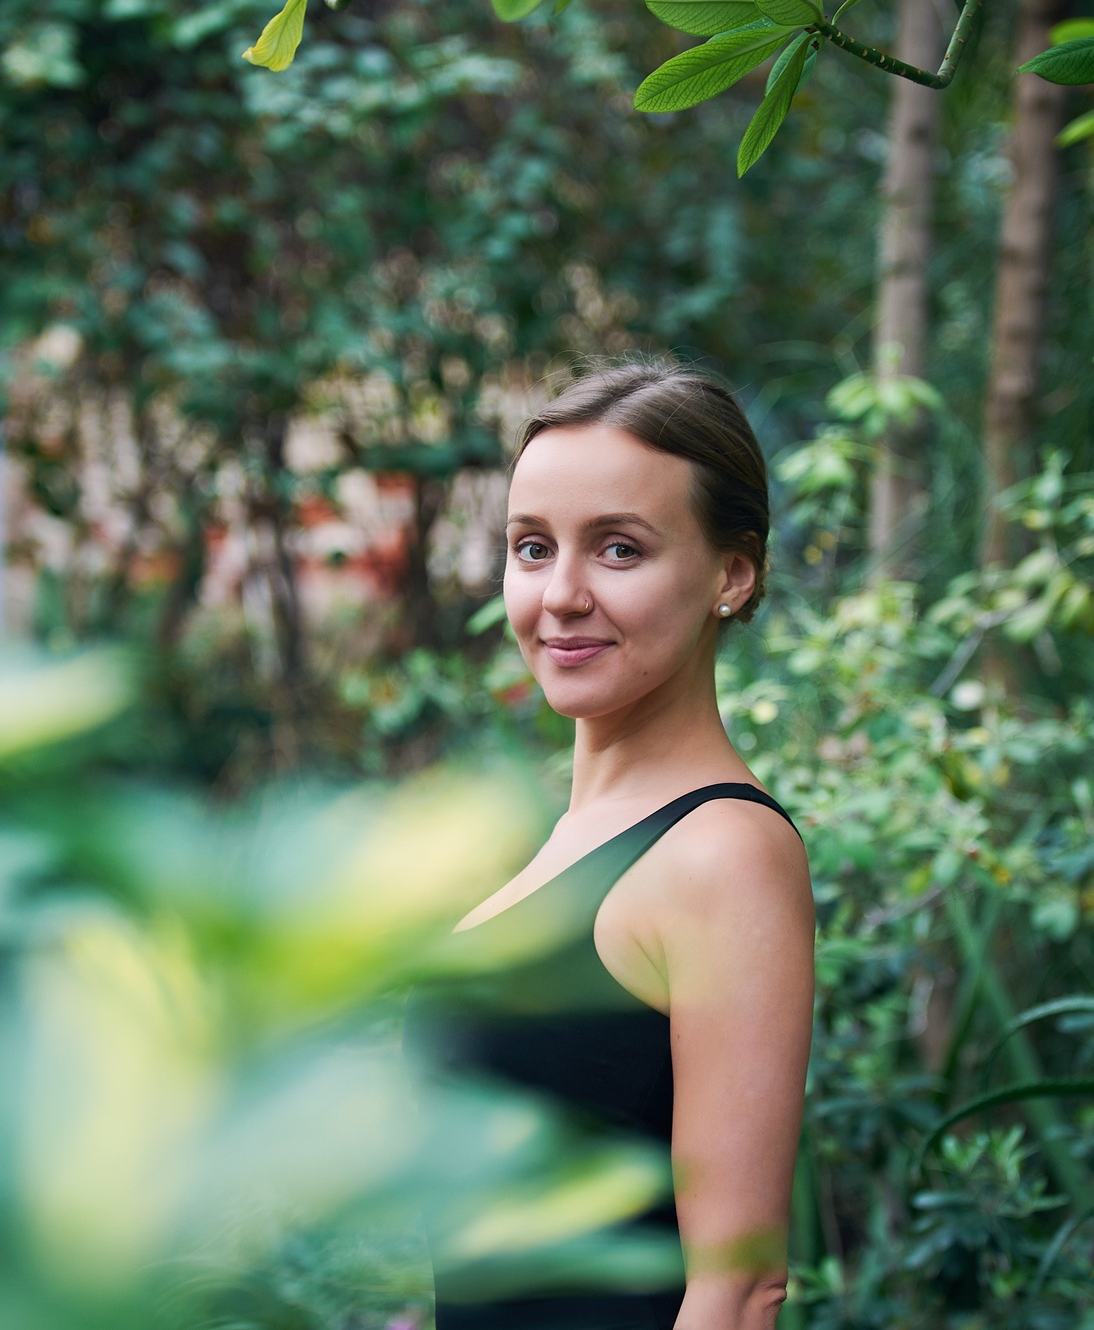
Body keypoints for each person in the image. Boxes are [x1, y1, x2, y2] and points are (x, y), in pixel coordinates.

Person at [417, 359, 815, 1330]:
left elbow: (738, 1285)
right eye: (530, 547)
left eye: (618, 550)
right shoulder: (572, 838)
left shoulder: (722, 853)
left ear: (731, 572)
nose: (559, 594)